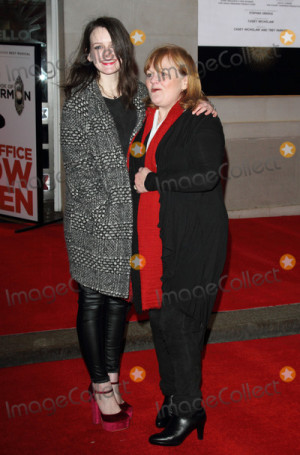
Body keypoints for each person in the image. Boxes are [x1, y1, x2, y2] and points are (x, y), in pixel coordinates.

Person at [61, 17, 215, 432]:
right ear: (89, 56)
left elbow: (174, 124)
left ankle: (112, 377)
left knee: (120, 304)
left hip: (135, 225)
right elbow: (78, 177)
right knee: (95, 301)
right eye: (96, 47)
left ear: (123, 50)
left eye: (112, 44)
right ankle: (100, 388)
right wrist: (115, 216)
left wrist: (201, 103)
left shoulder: (139, 102)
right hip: (95, 224)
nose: (105, 52)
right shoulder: (78, 106)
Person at [129, 45, 228, 446]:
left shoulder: (199, 119)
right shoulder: (148, 118)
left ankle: (190, 410)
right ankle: (172, 397)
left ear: (186, 81)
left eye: (165, 74)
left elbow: (207, 175)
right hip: (157, 235)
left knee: (182, 324)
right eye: (151, 73)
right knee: (163, 322)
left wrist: (154, 182)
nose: (154, 80)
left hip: (193, 238)